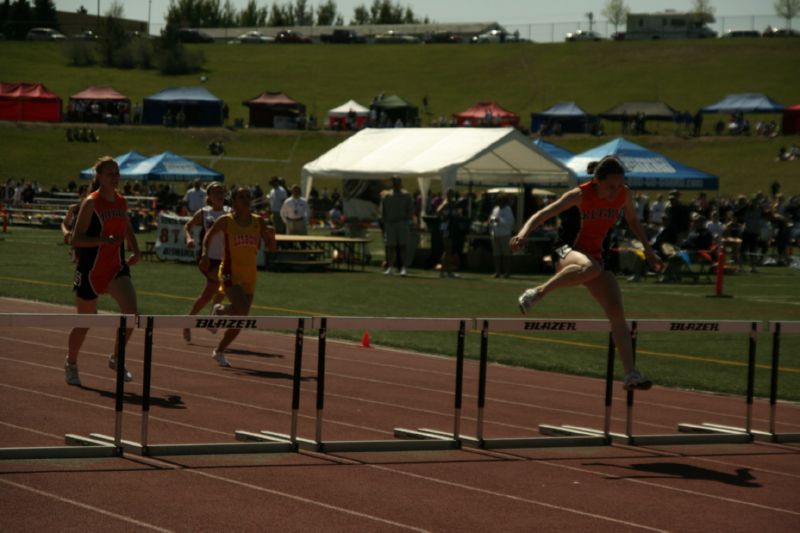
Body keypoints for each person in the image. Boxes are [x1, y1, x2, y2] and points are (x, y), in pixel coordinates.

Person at [510, 156, 662, 391]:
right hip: (565, 248)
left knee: (616, 311)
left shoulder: (624, 194)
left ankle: (631, 374)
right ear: (596, 181)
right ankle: (536, 293)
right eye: (611, 186)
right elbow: (542, 215)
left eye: (619, 185)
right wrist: (522, 234)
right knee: (591, 267)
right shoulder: (579, 195)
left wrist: (650, 252)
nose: (615, 192)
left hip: (595, 255)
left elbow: (633, 221)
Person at [65, 157, 141, 386]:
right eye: (110, 173)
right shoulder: (91, 203)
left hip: (116, 267)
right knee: (86, 321)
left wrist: (135, 249)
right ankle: (71, 362)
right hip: (90, 270)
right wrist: (101, 240)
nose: (115, 177)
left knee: (131, 313)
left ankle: (117, 358)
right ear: (98, 176)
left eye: (117, 173)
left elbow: (126, 225)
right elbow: (76, 239)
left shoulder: (121, 201)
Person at [200, 187, 277, 367]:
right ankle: (219, 311)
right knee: (241, 310)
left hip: (249, 274)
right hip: (229, 272)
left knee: (241, 318)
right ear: (233, 201)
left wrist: (272, 237)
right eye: (242, 197)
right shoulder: (226, 220)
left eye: (248, 197)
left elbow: (272, 248)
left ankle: (219, 350)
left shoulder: (259, 221)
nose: (246, 200)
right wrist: (204, 254)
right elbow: (208, 236)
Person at [182, 182, 230, 342]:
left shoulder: (230, 212)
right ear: (208, 196)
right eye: (216, 192)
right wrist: (189, 239)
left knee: (211, 294)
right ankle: (211, 320)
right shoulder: (204, 213)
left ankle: (189, 321)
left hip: (225, 259)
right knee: (216, 285)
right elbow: (187, 226)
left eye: (221, 192)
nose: (219, 195)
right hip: (207, 257)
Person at [380, 177, 414, 276]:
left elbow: (410, 210)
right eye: (394, 182)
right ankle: (390, 267)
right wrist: (385, 221)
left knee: (403, 246)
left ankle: (404, 268)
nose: (396, 184)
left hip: (402, 223)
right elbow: (383, 210)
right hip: (390, 224)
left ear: (400, 183)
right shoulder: (387, 195)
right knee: (390, 246)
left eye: (397, 182)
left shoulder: (406, 195)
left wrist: (406, 219)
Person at [489, 193, 515, 278]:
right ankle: (497, 272)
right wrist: (491, 220)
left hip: (505, 234)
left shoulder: (508, 210)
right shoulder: (496, 209)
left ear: (504, 201)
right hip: (495, 233)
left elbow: (510, 223)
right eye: (498, 201)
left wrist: (499, 220)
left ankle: (507, 272)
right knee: (496, 254)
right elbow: (491, 218)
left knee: (506, 254)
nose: (499, 202)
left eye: (500, 201)